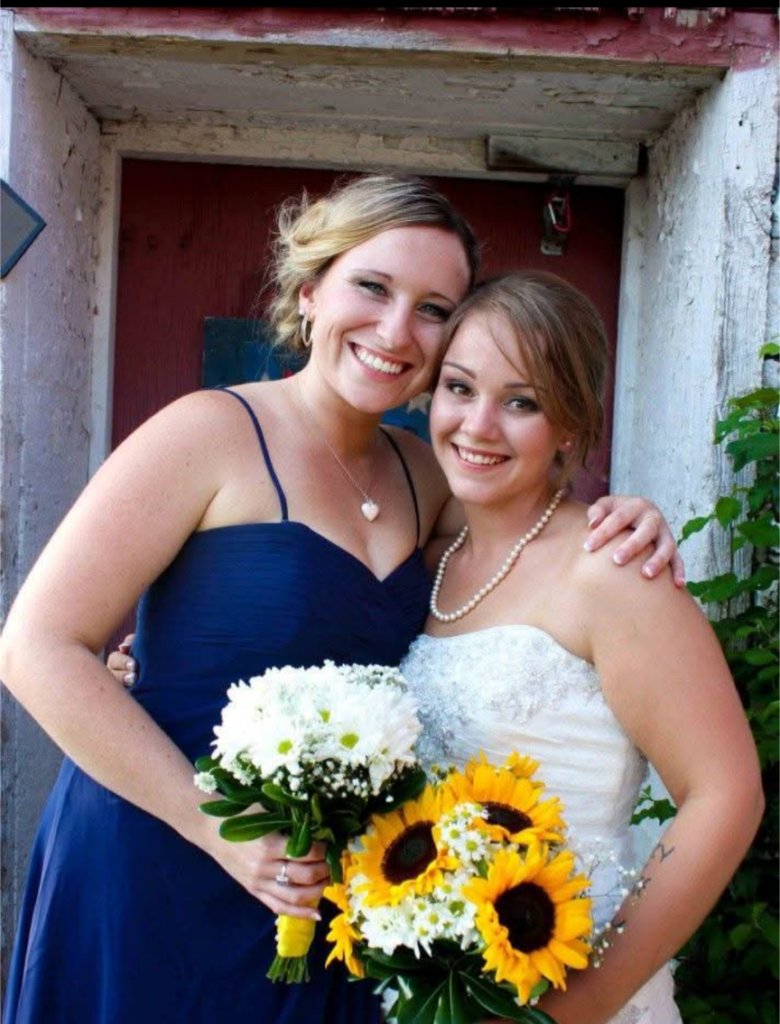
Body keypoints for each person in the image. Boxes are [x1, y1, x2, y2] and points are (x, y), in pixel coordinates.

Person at [1, 175, 681, 1024]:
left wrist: (624, 518)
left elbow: (527, 545)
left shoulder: (427, 474)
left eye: (433, 309)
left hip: (320, 898)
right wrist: (215, 827)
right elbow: (35, 647)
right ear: (310, 290)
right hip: (155, 851)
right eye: (372, 287)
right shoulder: (206, 432)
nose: (396, 330)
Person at [397, 271, 764, 1024]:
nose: (478, 425)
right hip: (429, 985)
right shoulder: (429, 560)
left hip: (568, 985)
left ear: (569, 424)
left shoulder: (614, 572)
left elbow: (726, 797)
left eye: (522, 402)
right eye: (460, 388)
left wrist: (580, 1003)